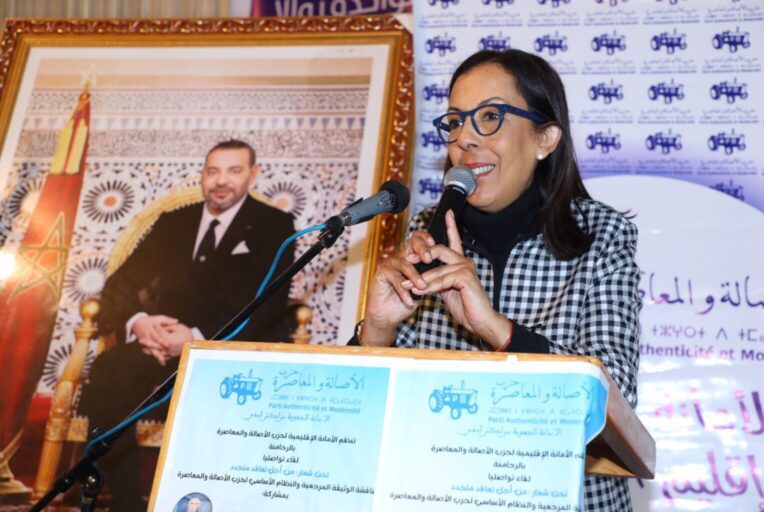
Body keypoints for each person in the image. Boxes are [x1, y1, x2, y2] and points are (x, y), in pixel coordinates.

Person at [353, 50, 641, 510]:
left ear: (545, 138)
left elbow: (618, 403)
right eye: (455, 122)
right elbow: (360, 416)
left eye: (490, 117)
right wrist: (378, 329)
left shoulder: (602, 237)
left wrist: (496, 329)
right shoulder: (427, 233)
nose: (465, 138)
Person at [79, 139, 295, 511]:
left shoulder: (274, 225)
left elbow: (267, 306)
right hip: (158, 346)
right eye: (213, 171)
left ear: (253, 175)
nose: (221, 181)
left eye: (233, 171)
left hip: (227, 353)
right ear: (202, 176)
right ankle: (126, 503)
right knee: (108, 372)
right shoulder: (173, 223)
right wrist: (140, 323)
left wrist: (196, 340)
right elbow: (118, 286)